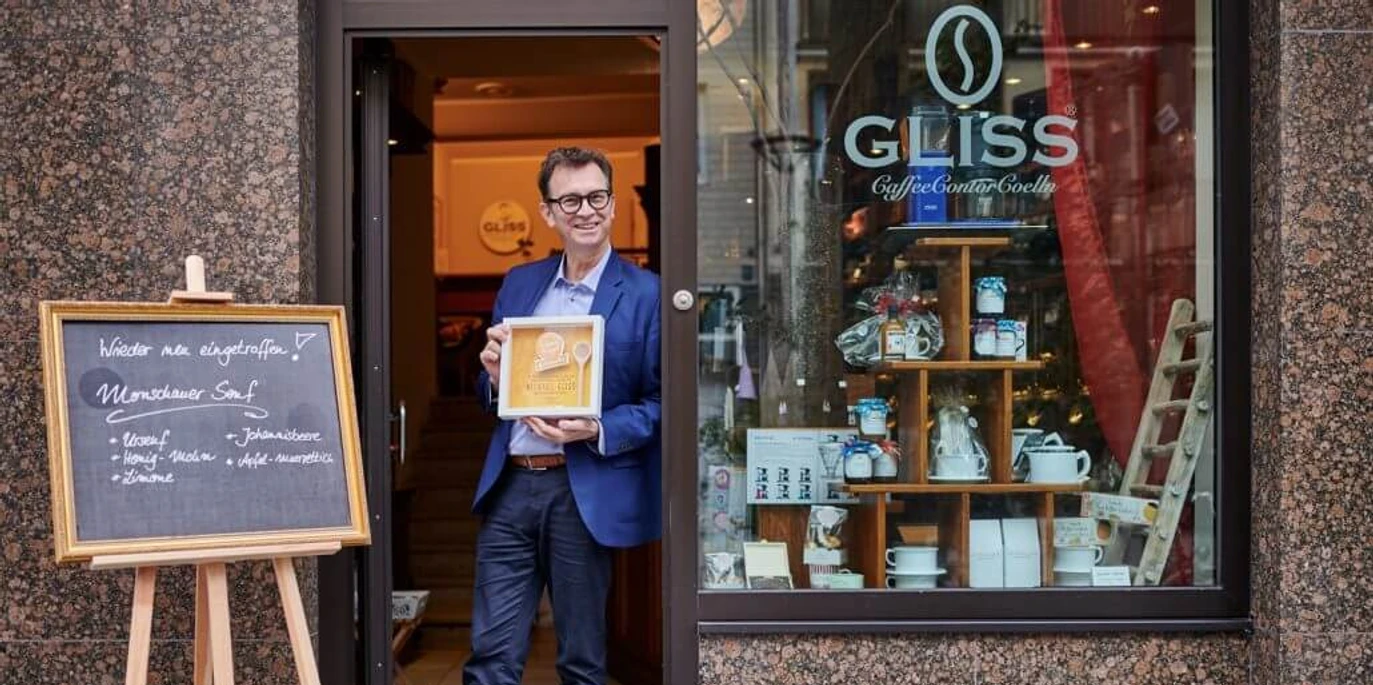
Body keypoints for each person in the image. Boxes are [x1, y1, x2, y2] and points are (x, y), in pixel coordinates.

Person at [465, 147, 662, 685]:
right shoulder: (519, 283)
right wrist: (493, 378)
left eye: (597, 197)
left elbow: (662, 403)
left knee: (581, 661)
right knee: (489, 659)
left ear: (613, 204)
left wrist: (598, 428)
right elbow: (492, 394)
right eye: (570, 200)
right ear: (548, 212)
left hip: (583, 490)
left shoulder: (648, 294)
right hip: (510, 487)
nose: (586, 210)